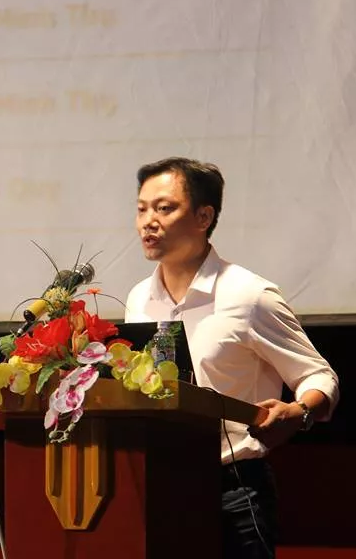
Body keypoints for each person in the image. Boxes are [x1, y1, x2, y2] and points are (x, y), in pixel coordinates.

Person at [124, 157, 340, 559]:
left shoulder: (248, 295)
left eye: (164, 208)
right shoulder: (139, 299)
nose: (148, 222)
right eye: (141, 209)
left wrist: (299, 413)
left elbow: (319, 376)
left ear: (204, 217)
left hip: (233, 489)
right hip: (159, 485)